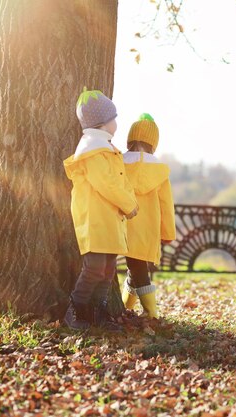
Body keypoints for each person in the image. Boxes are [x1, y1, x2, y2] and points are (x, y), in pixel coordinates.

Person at [62, 88, 138, 330]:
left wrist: (129, 202)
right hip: (94, 218)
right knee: (94, 267)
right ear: (103, 123)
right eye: (113, 118)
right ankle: (76, 309)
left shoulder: (105, 148)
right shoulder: (92, 150)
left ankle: (99, 312)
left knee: (107, 269)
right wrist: (128, 205)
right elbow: (105, 183)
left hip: (108, 218)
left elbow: (119, 181)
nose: (117, 122)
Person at [121, 113, 176, 319]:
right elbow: (165, 204)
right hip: (147, 227)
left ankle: (128, 308)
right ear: (154, 143)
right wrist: (167, 232)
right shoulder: (159, 170)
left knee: (135, 267)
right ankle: (150, 312)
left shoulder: (119, 163)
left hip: (122, 222)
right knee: (138, 266)